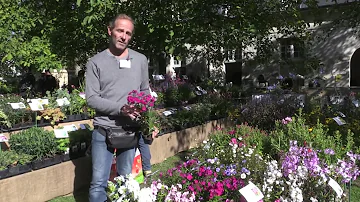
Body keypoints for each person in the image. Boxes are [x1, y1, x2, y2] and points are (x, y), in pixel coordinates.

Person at [85, 14, 157, 202]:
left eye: (128, 33)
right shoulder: (95, 62)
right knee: (99, 184)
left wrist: (150, 123)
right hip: (104, 130)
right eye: (120, 31)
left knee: (126, 182)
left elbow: (145, 93)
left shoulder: (140, 60)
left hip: (130, 131)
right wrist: (121, 108)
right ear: (110, 31)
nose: (123, 36)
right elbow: (92, 99)